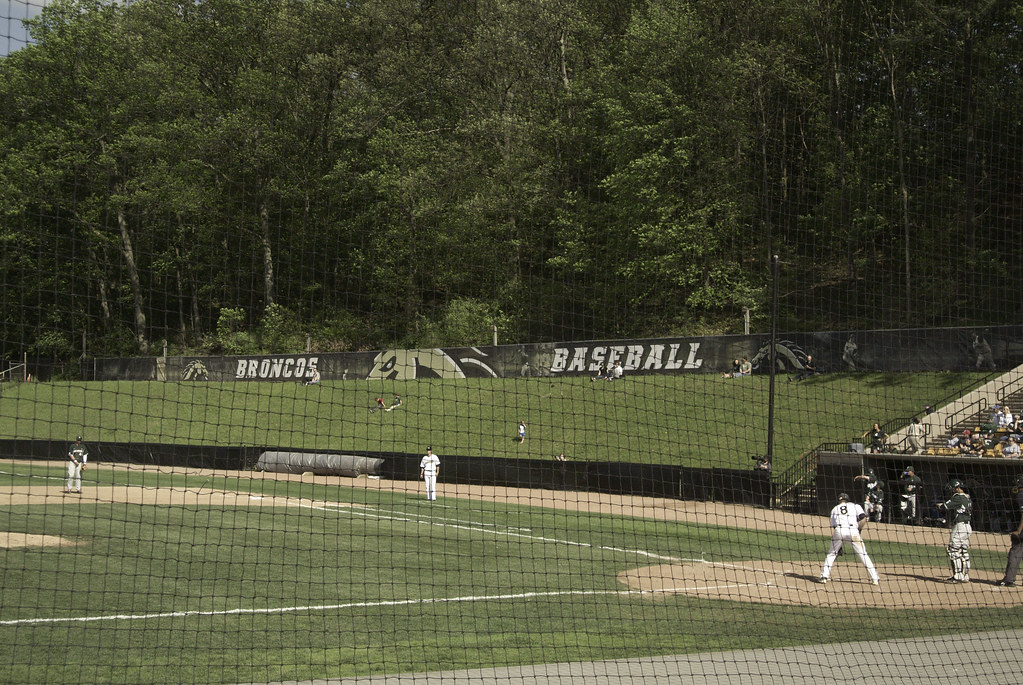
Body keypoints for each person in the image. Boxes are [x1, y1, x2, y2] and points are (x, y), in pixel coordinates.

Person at [817, 492, 881, 586]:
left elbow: (834, 526)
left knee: (831, 554)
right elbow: (863, 519)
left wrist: (839, 546)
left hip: (839, 530)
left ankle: (824, 576)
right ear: (848, 499)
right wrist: (859, 530)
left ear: (838, 500)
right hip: (853, 531)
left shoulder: (835, 509)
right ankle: (875, 578)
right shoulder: (855, 506)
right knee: (863, 554)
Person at [936, 479, 972, 583]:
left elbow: (944, 507)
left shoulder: (958, 497)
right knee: (963, 550)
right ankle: (965, 576)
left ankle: (957, 576)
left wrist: (939, 505)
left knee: (952, 549)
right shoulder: (968, 498)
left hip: (960, 526)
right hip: (967, 527)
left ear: (957, 488)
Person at [995, 474, 1023, 587]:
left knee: (1015, 553)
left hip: (1022, 530)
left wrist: (1018, 530)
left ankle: (1009, 580)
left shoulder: (1021, 495)